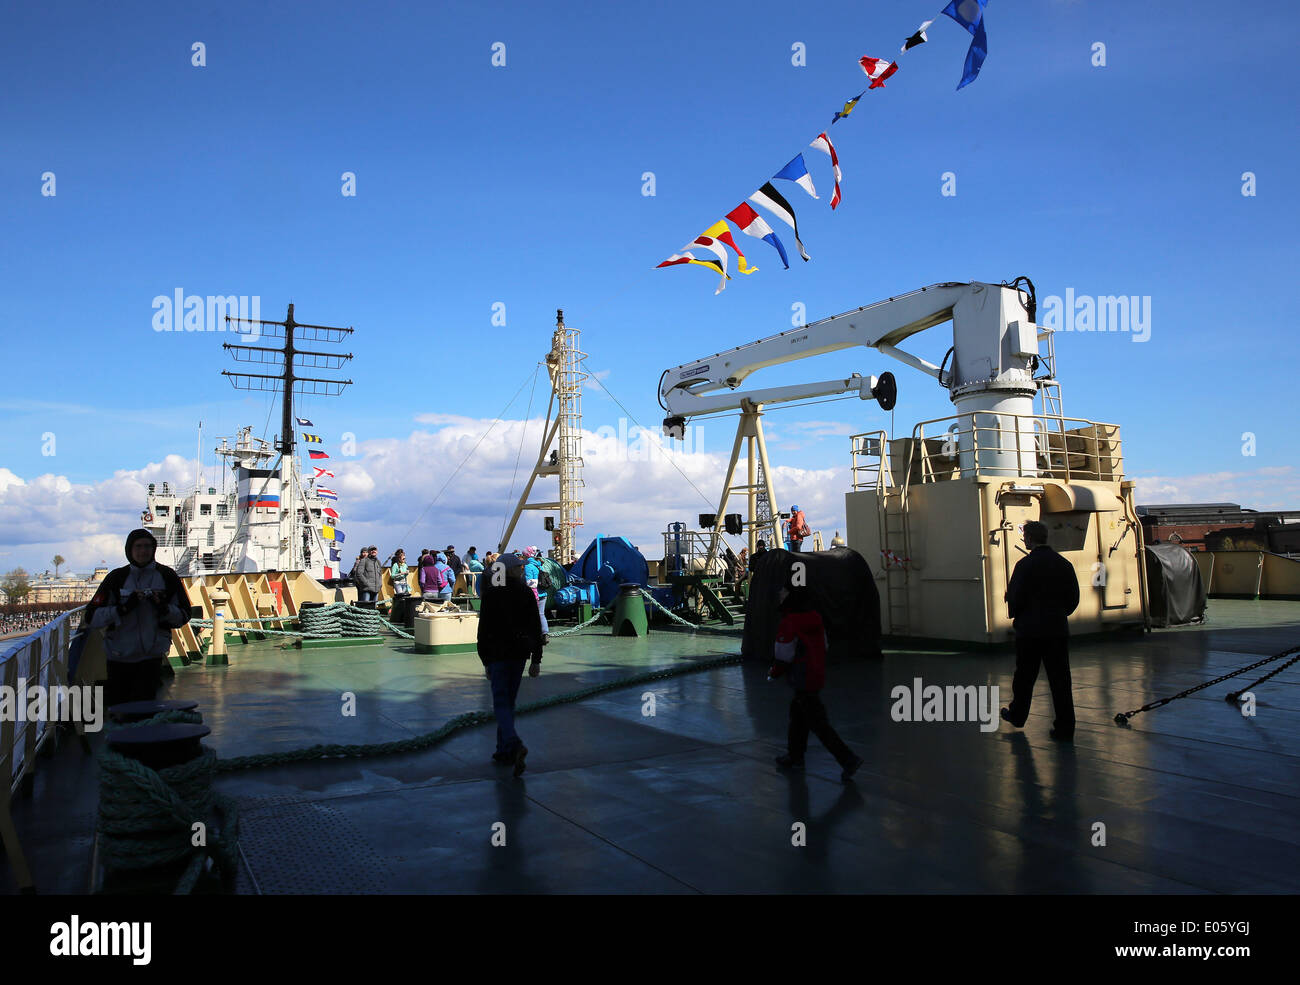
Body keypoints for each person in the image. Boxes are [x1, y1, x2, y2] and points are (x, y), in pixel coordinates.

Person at [83, 529, 191, 707]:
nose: (143, 551)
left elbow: (183, 615)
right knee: (120, 708)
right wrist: (123, 608)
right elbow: (91, 616)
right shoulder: (116, 578)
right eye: (138, 546)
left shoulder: (167, 576)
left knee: (146, 708)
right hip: (118, 658)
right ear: (129, 550)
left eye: (148, 546)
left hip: (152, 658)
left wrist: (163, 609)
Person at [769, 582, 863, 782]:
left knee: (818, 723)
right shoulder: (815, 619)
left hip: (801, 678)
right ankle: (795, 756)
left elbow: (783, 655)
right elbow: (824, 646)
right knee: (798, 716)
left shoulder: (790, 622)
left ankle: (848, 759)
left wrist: (774, 672)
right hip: (815, 674)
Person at [1001, 520, 1081, 740]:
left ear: (1028, 538)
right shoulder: (1064, 564)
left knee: (1025, 677)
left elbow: (1014, 598)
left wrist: (1017, 610)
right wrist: (1058, 614)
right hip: (1056, 630)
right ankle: (1065, 727)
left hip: (1029, 632)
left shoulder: (1024, 565)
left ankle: (1018, 715)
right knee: (1061, 680)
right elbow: (1073, 598)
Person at [477, 553, 544, 776]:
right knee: (509, 703)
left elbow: (483, 630)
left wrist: (485, 660)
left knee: (501, 704)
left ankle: (513, 744)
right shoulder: (525, 593)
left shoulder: (491, 594)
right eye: (518, 567)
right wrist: (536, 659)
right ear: (509, 570)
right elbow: (536, 627)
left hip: (497, 655)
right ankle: (503, 750)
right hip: (518, 655)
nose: (522, 570)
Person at [522, 546, 549, 644]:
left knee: (531, 615)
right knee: (541, 614)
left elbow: (530, 583)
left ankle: (534, 635)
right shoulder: (539, 565)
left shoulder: (528, 566)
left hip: (535, 595)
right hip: (544, 593)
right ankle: (545, 634)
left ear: (526, 556)